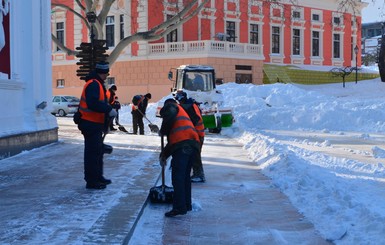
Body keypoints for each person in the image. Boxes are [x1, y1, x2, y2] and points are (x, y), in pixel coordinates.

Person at [78, 62, 117, 189]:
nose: (107, 76)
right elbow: (93, 103)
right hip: (90, 123)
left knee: (98, 152)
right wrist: (107, 109)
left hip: (94, 124)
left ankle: (98, 177)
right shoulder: (94, 84)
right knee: (92, 154)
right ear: (103, 73)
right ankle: (92, 181)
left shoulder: (97, 84)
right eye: (106, 74)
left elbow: (99, 102)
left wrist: (109, 107)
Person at [159, 98, 200, 217]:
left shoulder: (172, 106)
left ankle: (179, 207)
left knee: (178, 177)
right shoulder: (182, 112)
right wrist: (164, 155)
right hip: (193, 145)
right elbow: (174, 140)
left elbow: (178, 139)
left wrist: (163, 130)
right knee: (185, 177)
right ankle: (186, 205)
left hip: (184, 146)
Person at [175, 91, 206, 183]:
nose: (178, 102)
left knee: (195, 155)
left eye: (178, 100)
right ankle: (197, 174)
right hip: (197, 134)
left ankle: (199, 175)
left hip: (196, 135)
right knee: (194, 155)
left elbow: (194, 120)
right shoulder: (192, 104)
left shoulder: (189, 107)